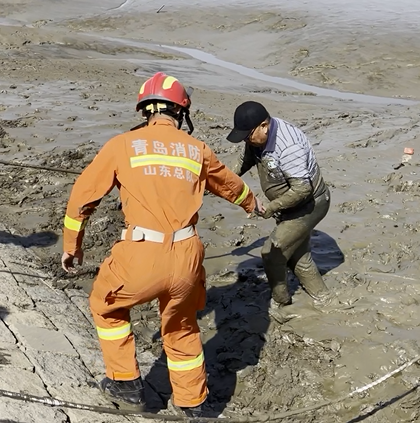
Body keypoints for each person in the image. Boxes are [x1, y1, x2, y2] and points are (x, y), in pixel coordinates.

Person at [61, 72, 264, 417]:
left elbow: (82, 197)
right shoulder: (197, 149)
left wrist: (72, 245)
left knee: (105, 306)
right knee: (182, 326)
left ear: (145, 112)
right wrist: (252, 205)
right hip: (187, 255)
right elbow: (230, 185)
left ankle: (125, 382)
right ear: (181, 112)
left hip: (141, 252)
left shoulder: (122, 145)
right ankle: (194, 403)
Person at [225, 101, 332, 319]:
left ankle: (282, 304)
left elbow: (302, 190)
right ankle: (325, 300)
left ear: (264, 125)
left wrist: (270, 208)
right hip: (289, 205)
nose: (246, 140)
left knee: (272, 253)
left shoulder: (288, 145)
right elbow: (244, 162)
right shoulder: (257, 137)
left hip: (309, 205)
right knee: (298, 257)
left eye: (248, 136)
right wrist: (218, 181)